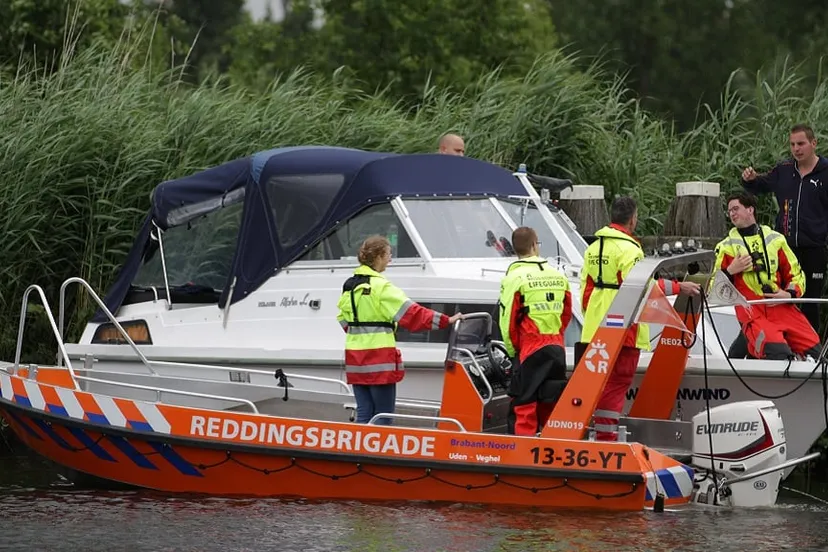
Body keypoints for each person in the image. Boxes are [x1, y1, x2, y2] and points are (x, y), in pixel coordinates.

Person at [579, 197, 701, 441]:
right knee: (618, 383)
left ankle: (595, 433)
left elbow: (586, 289)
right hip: (625, 325)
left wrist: (592, 315)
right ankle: (606, 439)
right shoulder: (630, 250)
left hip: (596, 327)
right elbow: (644, 286)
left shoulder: (593, 248)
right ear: (633, 219)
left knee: (597, 383)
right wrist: (680, 287)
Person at [337, 236, 462, 424]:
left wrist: (360, 333)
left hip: (355, 359)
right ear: (378, 257)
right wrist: (446, 320)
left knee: (364, 413)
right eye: (388, 254)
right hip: (379, 359)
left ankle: (361, 444)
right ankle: (378, 444)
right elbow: (412, 314)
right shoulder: (381, 287)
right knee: (383, 416)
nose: (390, 259)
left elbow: (342, 319)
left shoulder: (349, 286)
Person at [712, 192, 821, 361]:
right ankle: (745, 351)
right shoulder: (726, 247)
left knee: (818, 355)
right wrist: (730, 270)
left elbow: (796, 275)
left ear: (750, 210)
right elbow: (713, 289)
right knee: (777, 353)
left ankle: (740, 352)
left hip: (782, 308)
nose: (732, 214)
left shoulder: (776, 240)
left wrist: (788, 294)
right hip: (752, 310)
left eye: (735, 209)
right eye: (730, 211)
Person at [740, 123, 828, 332]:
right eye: (792, 144)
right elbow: (760, 186)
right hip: (785, 248)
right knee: (780, 299)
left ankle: (812, 348)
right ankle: (783, 343)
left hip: (815, 248)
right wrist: (750, 179)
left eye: (801, 144)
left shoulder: (826, 171)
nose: (796, 149)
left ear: (813, 143)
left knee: (810, 302)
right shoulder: (783, 170)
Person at [498, 226, 572, 436]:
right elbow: (566, 314)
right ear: (534, 245)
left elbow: (507, 320)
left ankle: (521, 450)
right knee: (551, 401)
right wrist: (556, 336)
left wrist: (513, 351)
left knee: (524, 404)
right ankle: (553, 446)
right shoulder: (559, 276)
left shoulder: (514, 278)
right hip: (556, 348)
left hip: (529, 348)